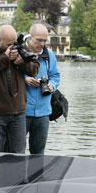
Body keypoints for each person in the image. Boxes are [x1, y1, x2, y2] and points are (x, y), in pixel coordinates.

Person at [0, 26, 39, 153]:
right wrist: (5, 57)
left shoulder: (20, 48)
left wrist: (22, 62)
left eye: (14, 43)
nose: (12, 47)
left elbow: (35, 69)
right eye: (9, 44)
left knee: (18, 155)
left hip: (18, 113)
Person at [23, 23, 60, 154]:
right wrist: (25, 80)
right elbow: (9, 76)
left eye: (45, 40)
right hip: (22, 112)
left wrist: (52, 85)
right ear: (30, 37)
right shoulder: (19, 53)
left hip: (43, 112)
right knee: (16, 152)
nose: (42, 43)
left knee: (38, 153)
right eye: (39, 40)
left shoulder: (49, 55)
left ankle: (38, 175)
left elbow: (56, 76)